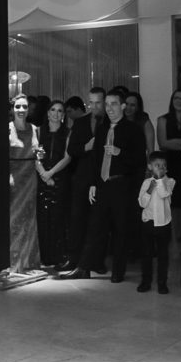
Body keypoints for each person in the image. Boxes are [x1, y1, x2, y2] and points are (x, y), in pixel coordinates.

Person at [60, 88, 147, 282]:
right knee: (95, 227)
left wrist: (119, 153)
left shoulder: (133, 130)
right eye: (106, 104)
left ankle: (118, 271)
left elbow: (140, 161)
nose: (109, 108)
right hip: (102, 184)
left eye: (113, 104)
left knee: (120, 229)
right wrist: (93, 183)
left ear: (123, 106)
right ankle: (84, 267)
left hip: (122, 185)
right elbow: (96, 160)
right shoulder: (102, 129)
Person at [65, 87, 106, 268]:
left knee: (100, 222)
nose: (94, 106)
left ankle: (97, 262)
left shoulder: (110, 122)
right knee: (77, 219)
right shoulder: (81, 122)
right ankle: (74, 259)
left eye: (98, 103)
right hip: (82, 177)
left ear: (104, 102)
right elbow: (71, 150)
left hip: (103, 178)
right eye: (91, 102)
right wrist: (86, 147)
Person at [36, 99, 73, 269]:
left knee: (58, 218)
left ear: (63, 115)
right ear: (48, 113)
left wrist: (51, 174)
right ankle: (44, 257)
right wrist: (44, 174)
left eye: (60, 111)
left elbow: (67, 157)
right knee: (43, 218)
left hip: (60, 179)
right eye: (53, 110)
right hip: (41, 178)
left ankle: (58, 257)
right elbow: (35, 156)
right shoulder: (38, 132)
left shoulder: (68, 132)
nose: (56, 114)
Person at [7, 94, 41, 273]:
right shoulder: (7, 128)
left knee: (29, 218)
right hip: (14, 176)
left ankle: (29, 262)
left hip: (30, 176)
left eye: (24, 107)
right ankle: (15, 262)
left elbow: (37, 154)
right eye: (18, 106)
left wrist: (40, 154)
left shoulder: (34, 129)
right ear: (12, 109)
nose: (21, 110)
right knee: (14, 219)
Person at [137, 151, 175, 294]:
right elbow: (142, 203)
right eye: (157, 165)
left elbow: (164, 194)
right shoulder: (146, 183)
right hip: (148, 223)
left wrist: (159, 180)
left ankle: (162, 283)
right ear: (150, 167)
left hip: (164, 224)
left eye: (163, 165)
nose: (161, 167)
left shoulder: (170, 181)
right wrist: (149, 190)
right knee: (146, 254)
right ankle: (145, 281)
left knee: (163, 255)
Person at [157, 89, 181, 237]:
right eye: (176, 98)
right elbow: (163, 143)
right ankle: (174, 237)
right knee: (172, 201)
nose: (179, 101)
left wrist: (176, 143)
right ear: (172, 101)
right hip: (170, 165)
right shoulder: (163, 120)